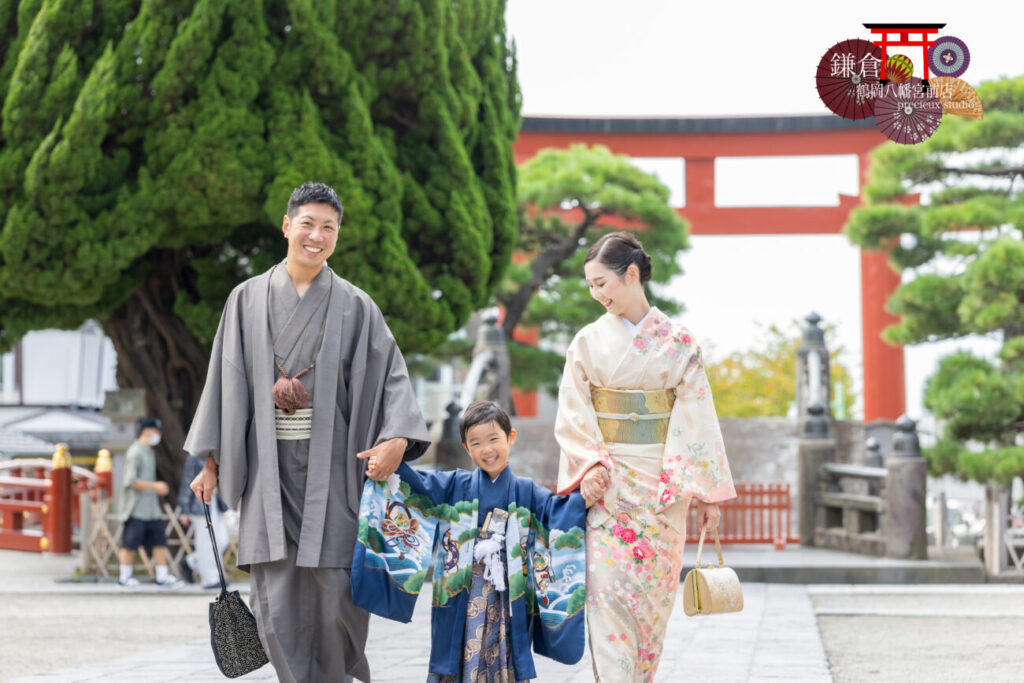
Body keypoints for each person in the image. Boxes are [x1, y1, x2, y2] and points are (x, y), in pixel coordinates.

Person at [185, 182, 431, 683]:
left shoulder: (357, 305)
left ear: (337, 235)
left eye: (328, 227)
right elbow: (224, 379)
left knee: (338, 592)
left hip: (335, 470)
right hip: (264, 469)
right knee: (276, 599)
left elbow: (392, 378)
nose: (316, 236)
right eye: (308, 224)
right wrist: (211, 461)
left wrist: (397, 438)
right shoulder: (245, 299)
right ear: (286, 226)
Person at [554, 231, 736, 682]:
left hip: (662, 494)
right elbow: (573, 412)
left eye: (602, 283)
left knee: (651, 612)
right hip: (609, 491)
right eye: (591, 286)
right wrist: (592, 463)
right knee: (608, 603)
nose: (597, 295)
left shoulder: (679, 342)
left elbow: (697, 417)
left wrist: (708, 494)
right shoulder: (587, 342)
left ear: (631, 274)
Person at [351, 401, 588, 682]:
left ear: (511, 437)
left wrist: (584, 496)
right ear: (466, 447)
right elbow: (414, 486)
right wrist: (386, 463)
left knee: (507, 655)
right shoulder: (454, 486)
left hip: (507, 596)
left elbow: (556, 514)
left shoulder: (527, 491)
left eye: (493, 439)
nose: (487, 449)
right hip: (463, 594)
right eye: (476, 443)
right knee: (460, 653)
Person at [117, 417, 183, 588]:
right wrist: (155, 486)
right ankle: (124, 577)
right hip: (135, 507)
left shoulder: (149, 452)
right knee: (129, 543)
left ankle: (162, 576)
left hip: (151, 508)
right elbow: (130, 481)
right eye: (156, 431)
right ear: (147, 431)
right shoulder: (135, 452)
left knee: (159, 540)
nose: (158, 435)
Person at [177, 453, 227, 589]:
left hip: (216, 503)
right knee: (206, 544)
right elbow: (187, 482)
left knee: (222, 541)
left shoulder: (219, 454)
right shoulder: (194, 456)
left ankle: (191, 562)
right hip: (199, 504)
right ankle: (210, 579)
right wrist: (184, 510)